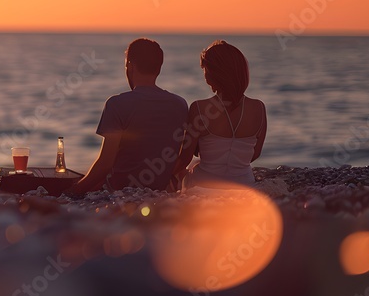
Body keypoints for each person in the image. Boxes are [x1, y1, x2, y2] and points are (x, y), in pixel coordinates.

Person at [68, 38, 188, 194]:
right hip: (160, 192)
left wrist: (75, 190)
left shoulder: (117, 104)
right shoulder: (180, 104)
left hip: (121, 192)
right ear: (158, 69)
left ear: (130, 66)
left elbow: (106, 164)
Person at [173, 40, 267, 188]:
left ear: (212, 73)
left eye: (205, 70)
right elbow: (254, 154)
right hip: (245, 184)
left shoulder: (199, 107)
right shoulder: (259, 108)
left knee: (185, 172)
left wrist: (164, 175)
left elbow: (185, 158)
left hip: (204, 185)